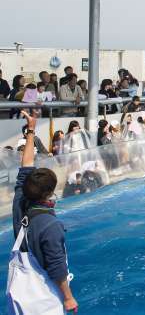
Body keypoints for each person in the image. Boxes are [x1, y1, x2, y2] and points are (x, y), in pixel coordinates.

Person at [11, 111, 78, 313]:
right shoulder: (50, 225)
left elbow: (25, 166)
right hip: (42, 298)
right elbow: (56, 266)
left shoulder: (19, 200)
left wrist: (31, 130)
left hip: (17, 290)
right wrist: (68, 298)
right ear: (49, 193)